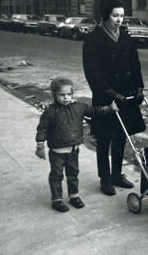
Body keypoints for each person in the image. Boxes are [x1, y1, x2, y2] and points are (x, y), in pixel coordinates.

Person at [83, 0, 146, 196]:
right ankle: (105, 178)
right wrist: (111, 94)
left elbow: (135, 66)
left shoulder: (125, 36)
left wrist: (138, 88)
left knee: (121, 136)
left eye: (121, 16)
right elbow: (93, 74)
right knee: (104, 139)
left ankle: (117, 173)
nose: (119, 20)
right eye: (115, 16)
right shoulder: (94, 40)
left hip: (125, 96)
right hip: (106, 98)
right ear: (105, 15)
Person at [35, 77, 118, 212]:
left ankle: (74, 196)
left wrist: (109, 108)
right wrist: (40, 147)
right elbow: (42, 129)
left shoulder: (78, 107)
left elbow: (93, 111)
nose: (66, 98)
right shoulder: (50, 112)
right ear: (54, 94)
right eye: (62, 95)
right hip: (57, 151)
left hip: (74, 149)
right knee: (56, 176)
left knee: (73, 174)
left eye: (69, 94)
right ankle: (57, 200)